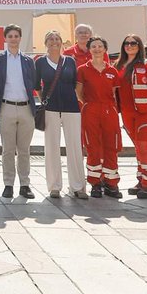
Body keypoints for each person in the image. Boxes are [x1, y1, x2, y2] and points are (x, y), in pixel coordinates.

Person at [35, 30, 86, 199]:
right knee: (51, 147)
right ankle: (54, 186)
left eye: (57, 39)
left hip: (71, 108)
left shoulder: (70, 61)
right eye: (50, 39)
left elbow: (74, 84)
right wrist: (44, 101)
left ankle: (78, 186)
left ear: (62, 42)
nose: (54, 42)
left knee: (75, 147)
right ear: (45, 42)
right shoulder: (40, 62)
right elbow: (37, 85)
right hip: (51, 109)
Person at [0, 24, 38, 199]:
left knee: (24, 150)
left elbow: (33, 82)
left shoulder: (27, 61)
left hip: (25, 108)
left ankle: (25, 184)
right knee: (8, 149)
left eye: (16, 36)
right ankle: (8, 183)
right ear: (5, 38)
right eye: (10, 36)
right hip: (6, 107)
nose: (13, 39)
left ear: (20, 38)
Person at [115, 34, 147, 199]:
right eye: (126, 43)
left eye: (133, 43)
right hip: (128, 113)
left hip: (146, 114)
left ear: (140, 46)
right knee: (137, 147)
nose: (130, 46)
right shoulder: (118, 65)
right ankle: (142, 179)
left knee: (144, 146)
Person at [76, 36, 122, 199]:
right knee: (92, 146)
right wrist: (89, 104)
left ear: (105, 49)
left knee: (111, 145)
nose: (97, 49)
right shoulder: (83, 69)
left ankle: (111, 183)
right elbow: (79, 92)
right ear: (89, 50)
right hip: (91, 110)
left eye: (100, 46)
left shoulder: (112, 70)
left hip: (109, 111)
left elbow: (116, 94)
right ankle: (95, 182)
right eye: (93, 46)